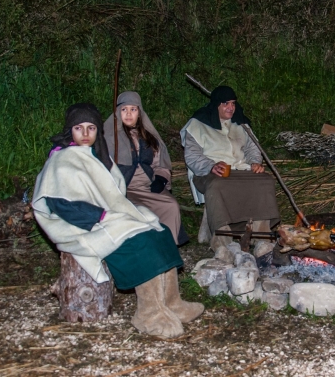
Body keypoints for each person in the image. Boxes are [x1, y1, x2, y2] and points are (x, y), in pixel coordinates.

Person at [32, 103, 203, 338]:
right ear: (69, 130)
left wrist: (112, 210)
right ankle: (148, 314)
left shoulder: (98, 155)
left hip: (105, 216)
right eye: (79, 128)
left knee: (159, 231)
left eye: (91, 128)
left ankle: (172, 302)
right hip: (80, 225)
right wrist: (100, 216)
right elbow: (59, 204)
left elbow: (115, 190)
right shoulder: (61, 160)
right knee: (139, 243)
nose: (85, 134)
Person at [180, 85, 280, 247]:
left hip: (241, 169)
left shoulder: (241, 123)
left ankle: (261, 234)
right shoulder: (197, 125)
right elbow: (192, 156)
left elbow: (252, 148)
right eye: (226, 104)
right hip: (210, 173)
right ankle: (222, 237)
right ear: (217, 105)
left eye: (233, 103)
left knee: (265, 181)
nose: (231, 108)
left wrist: (255, 162)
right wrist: (210, 166)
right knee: (218, 184)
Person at [104, 91, 188, 245]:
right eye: (124, 109)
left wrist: (161, 179)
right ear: (117, 112)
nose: (128, 114)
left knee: (170, 205)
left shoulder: (148, 137)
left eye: (133, 110)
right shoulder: (110, 137)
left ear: (139, 113)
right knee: (131, 212)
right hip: (124, 189)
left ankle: (168, 248)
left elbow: (160, 163)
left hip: (146, 187)